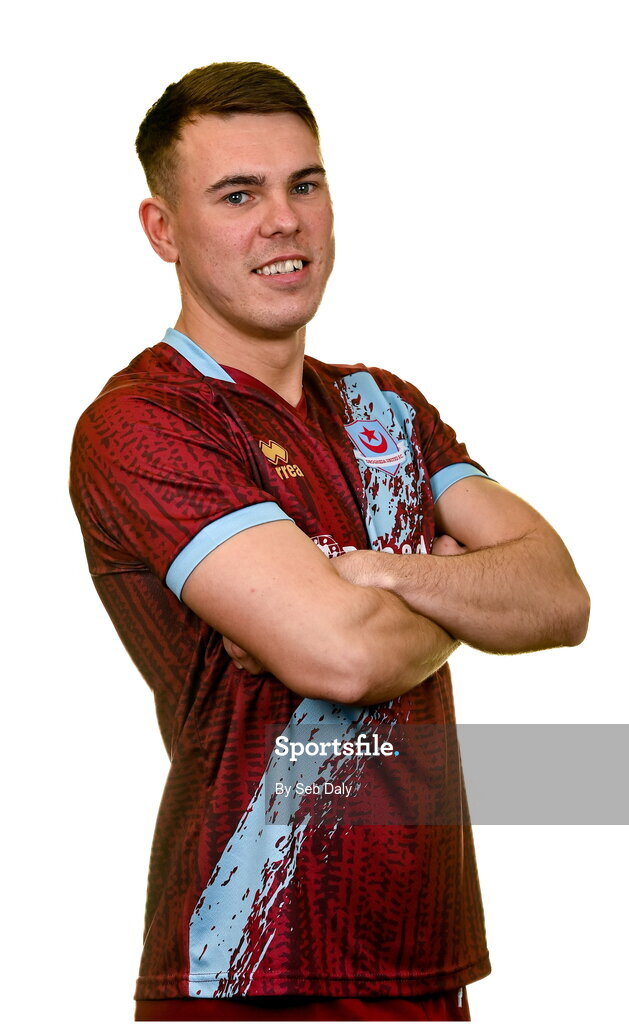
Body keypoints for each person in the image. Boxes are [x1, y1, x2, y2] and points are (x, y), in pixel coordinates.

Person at [69, 61, 590, 1022]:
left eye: (304, 183)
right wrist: (460, 586)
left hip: (423, 953)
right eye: (238, 194)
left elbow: (559, 598)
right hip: (252, 966)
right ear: (163, 230)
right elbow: (342, 657)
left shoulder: (383, 407)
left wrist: (370, 571)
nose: (283, 219)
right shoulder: (146, 421)